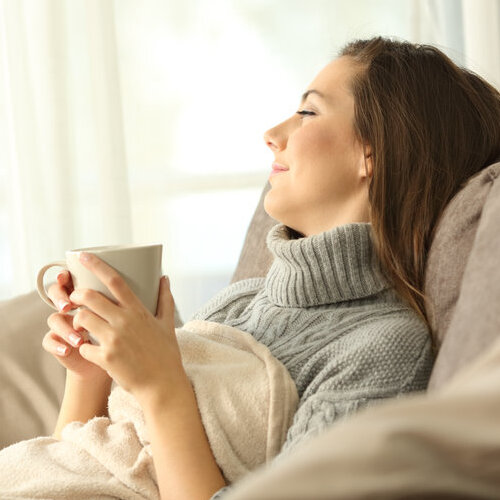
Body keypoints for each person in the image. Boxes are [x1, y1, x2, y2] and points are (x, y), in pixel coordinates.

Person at [29, 35, 500, 500]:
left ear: (372, 153)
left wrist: (162, 387)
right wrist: (88, 373)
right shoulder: (243, 300)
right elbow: (80, 463)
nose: (273, 135)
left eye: (308, 113)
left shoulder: (383, 349)